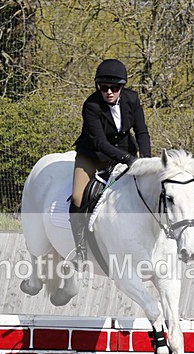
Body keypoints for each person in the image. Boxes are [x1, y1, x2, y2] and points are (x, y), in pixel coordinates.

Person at [70, 58, 152, 262]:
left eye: (114, 87)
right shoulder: (91, 106)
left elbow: (141, 132)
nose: (109, 92)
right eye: (104, 87)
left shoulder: (132, 100)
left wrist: (147, 162)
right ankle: (80, 248)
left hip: (126, 154)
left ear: (121, 87)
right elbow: (100, 142)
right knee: (78, 198)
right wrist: (128, 159)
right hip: (93, 156)